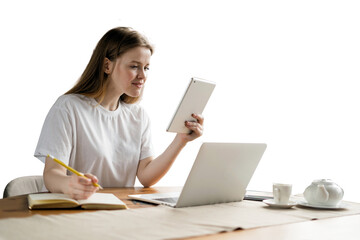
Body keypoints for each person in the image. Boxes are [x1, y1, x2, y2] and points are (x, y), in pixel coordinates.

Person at [34, 27, 204, 200]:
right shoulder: (68, 108)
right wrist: (69, 185)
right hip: (75, 209)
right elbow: (52, 173)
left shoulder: (138, 116)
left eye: (146, 68)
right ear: (107, 65)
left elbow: (146, 177)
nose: (142, 76)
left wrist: (180, 141)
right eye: (134, 66)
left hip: (117, 210)